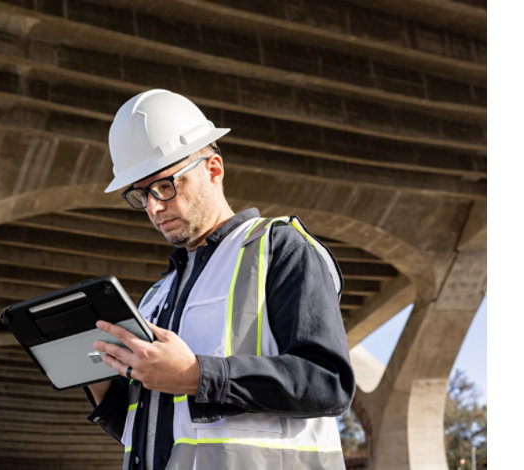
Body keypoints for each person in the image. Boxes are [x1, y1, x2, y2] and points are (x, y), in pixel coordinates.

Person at [84, 89, 355, 470]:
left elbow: (329, 384)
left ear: (213, 170)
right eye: (141, 195)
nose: (154, 207)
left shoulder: (279, 249)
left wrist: (197, 375)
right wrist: (98, 384)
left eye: (165, 186)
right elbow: (148, 432)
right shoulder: (155, 298)